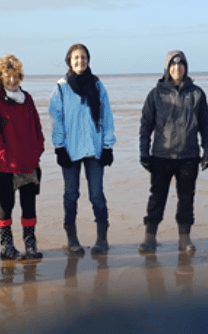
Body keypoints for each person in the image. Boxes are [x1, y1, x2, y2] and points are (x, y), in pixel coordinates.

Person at [138, 50, 208, 254]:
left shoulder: (197, 93)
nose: (177, 68)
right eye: (172, 65)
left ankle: (184, 238)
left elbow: (206, 125)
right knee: (156, 197)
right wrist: (144, 152)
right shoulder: (156, 94)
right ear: (167, 68)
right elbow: (146, 125)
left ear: (186, 68)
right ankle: (149, 237)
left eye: (180, 65)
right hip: (161, 156)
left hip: (188, 156)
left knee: (186, 198)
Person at [49, 43, 116, 256]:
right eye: (76, 58)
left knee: (97, 195)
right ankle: (72, 239)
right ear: (69, 60)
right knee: (71, 195)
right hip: (70, 150)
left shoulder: (97, 86)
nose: (81, 61)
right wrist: (59, 147)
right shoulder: (61, 87)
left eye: (84, 57)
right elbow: (56, 119)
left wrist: (108, 146)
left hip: (95, 150)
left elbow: (107, 116)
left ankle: (102, 238)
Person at [0, 54, 45, 260]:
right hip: (4, 165)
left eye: (16, 77)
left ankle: (30, 243)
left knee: (29, 205)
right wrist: (4, 154)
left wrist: (38, 149)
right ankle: (6, 245)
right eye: (8, 77)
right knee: (6, 205)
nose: (12, 81)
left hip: (28, 163)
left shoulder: (27, 99)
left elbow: (37, 126)